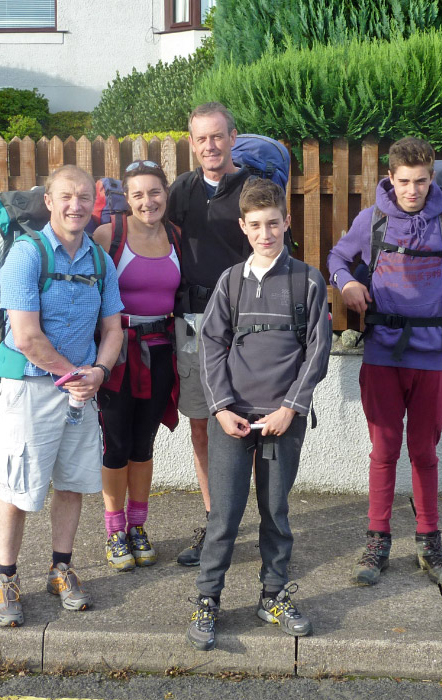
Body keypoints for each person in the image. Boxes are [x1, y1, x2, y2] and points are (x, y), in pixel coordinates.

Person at [327, 137, 442, 588]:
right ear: (391, 178)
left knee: (423, 453)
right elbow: (338, 258)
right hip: (382, 354)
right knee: (384, 452)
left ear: (430, 178)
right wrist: (346, 285)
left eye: (421, 181)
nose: (412, 190)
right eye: (404, 181)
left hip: (432, 357)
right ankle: (377, 541)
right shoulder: (373, 220)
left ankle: (429, 542)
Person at [186, 178, 331, 652]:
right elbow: (210, 347)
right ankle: (207, 601)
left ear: (286, 223)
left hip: (281, 422)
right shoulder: (230, 281)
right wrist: (221, 409)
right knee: (224, 515)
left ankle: (272, 595)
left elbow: (317, 351)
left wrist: (291, 408)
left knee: (276, 512)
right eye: (256, 226)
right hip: (235, 420)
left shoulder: (307, 280)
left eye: (273, 223)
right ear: (243, 227)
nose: (266, 233)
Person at [0, 165, 123, 627]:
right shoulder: (27, 256)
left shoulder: (100, 261)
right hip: (30, 387)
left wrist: (100, 372)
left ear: (94, 203)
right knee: (19, 486)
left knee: (71, 483)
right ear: (49, 201)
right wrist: (77, 376)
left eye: (84, 197)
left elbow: (113, 329)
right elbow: (26, 337)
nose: (76, 205)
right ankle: (6, 578)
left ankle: (60, 569)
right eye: (66, 196)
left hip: (81, 390)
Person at [168, 102, 253, 567]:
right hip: (192, 321)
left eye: (217, 136)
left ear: (233, 137)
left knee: (250, 422)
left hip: (245, 322)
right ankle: (214, 520)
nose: (210, 146)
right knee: (201, 422)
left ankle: (255, 520)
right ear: (192, 142)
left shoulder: (253, 190)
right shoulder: (182, 190)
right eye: (201, 139)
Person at [91, 160, 181, 572]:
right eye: (139, 194)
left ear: (166, 193)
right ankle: (114, 530)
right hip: (118, 355)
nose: (149, 201)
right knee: (117, 444)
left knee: (145, 442)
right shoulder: (109, 235)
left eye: (155, 192)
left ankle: (138, 526)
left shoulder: (177, 237)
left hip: (163, 353)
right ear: (126, 200)